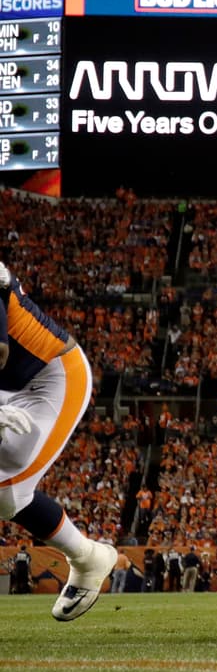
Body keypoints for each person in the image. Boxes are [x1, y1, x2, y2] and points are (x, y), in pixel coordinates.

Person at [0, 261, 119, 621]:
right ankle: (88, 557)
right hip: (9, 388)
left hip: (52, 377)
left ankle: (87, 558)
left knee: (5, 493)